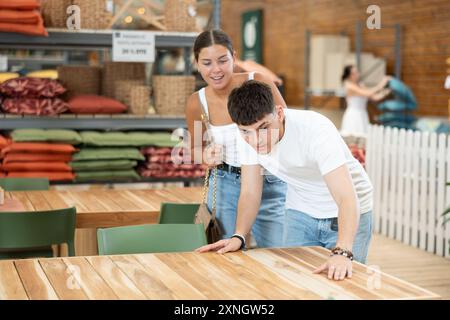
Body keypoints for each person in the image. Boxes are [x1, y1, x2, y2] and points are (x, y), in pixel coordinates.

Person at [197, 80, 374, 281]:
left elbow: (346, 198)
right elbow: (250, 192)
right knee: (295, 279)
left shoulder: (316, 129)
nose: (256, 140)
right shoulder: (245, 137)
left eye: (264, 128)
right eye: (246, 131)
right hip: (301, 209)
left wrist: (343, 252)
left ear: (279, 114)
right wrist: (239, 235)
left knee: (344, 282)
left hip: (348, 207)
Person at [185, 30, 287, 247]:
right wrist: (204, 154)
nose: (216, 70)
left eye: (223, 60)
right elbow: (194, 147)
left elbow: (286, 125)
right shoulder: (197, 102)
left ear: (234, 56)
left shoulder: (258, 82)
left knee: (279, 252)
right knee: (228, 255)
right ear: (197, 63)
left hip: (270, 182)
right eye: (207, 63)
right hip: (225, 185)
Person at [341, 65, 391, 137]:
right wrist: (382, 84)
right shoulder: (349, 86)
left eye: (357, 72)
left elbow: (374, 97)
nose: (357, 74)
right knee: (352, 139)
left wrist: (385, 92)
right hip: (353, 116)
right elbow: (368, 93)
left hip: (362, 115)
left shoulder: (360, 85)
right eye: (354, 73)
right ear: (349, 75)